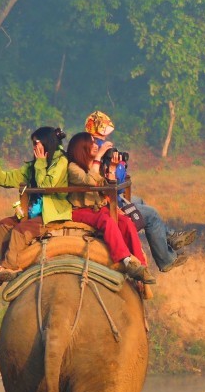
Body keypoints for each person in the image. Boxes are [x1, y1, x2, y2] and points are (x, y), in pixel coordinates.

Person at [84, 111, 196, 272]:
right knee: (151, 215)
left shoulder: (87, 146)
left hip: (110, 195)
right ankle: (166, 260)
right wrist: (111, 165)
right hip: (104, 201)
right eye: (103, 135)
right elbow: (102, 180)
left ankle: (170, 236)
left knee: (139, 201)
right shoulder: (93, 150)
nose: (104, 140)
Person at [0, 126, 71, 284]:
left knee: (20, 231)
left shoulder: (61, 162)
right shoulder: (33, 166)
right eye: (33, 144)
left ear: (47, 143)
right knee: (3, 224)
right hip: (33, 212)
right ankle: (5, 260)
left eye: (36, 143)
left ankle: (7, 267)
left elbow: (47, 185)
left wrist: (41, 163)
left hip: (51, 214)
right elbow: (7, 179)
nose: (34, 147)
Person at [66, 131, 155, 284]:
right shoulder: (73, 167)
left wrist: (112, 169)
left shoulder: (93, 164)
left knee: (126, 222)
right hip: (80, 210)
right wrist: (99, 157)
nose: (96, 146)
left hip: (98, 208)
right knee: (106, 221)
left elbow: (108, 188)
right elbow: (90, 181)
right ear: (82, 148)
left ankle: (141, 267)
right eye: (92, 143)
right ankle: (125, 259)